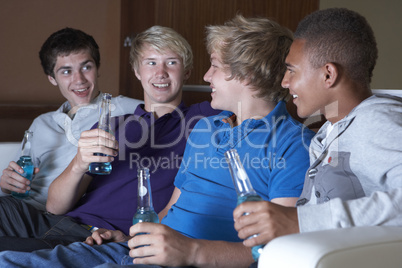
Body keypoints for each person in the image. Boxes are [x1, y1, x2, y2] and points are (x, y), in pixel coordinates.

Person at [0, 15, 315, 267]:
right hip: (122, 243)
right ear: (136, 71)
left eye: (214, 66)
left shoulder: (285, 141)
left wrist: (188, 251)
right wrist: (128, 237)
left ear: (245, 73)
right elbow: (170, 210)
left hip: (152, 251)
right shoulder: (206, 129)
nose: (205, 78)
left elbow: (276, 250)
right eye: (150, 62)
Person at [0, 26, 218, 252]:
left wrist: (127, 238)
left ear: (188, 71)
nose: (160, 72)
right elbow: (54, 207)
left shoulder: (203, 117)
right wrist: (79, 164)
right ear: (137, 71)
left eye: (171, 62)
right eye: (151, 63)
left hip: (97, 240)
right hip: (54, 221)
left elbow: (249, 96)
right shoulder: (113, 124)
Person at [232, 8, 402, 261]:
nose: (284, 82)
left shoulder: (376, 122)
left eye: (292, 70)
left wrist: (300, 220)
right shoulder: (328, 131)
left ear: (328, 75)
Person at [0, 28, 141, 211]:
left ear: (97, 68)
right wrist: (7, 185)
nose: (79, 79)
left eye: (86, 67)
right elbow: (17, 180)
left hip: (58, 217)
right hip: (17, 209)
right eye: (66, 71)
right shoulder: (41, 123)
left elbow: (172, 115)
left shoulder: (125, 109)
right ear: (52, 78)